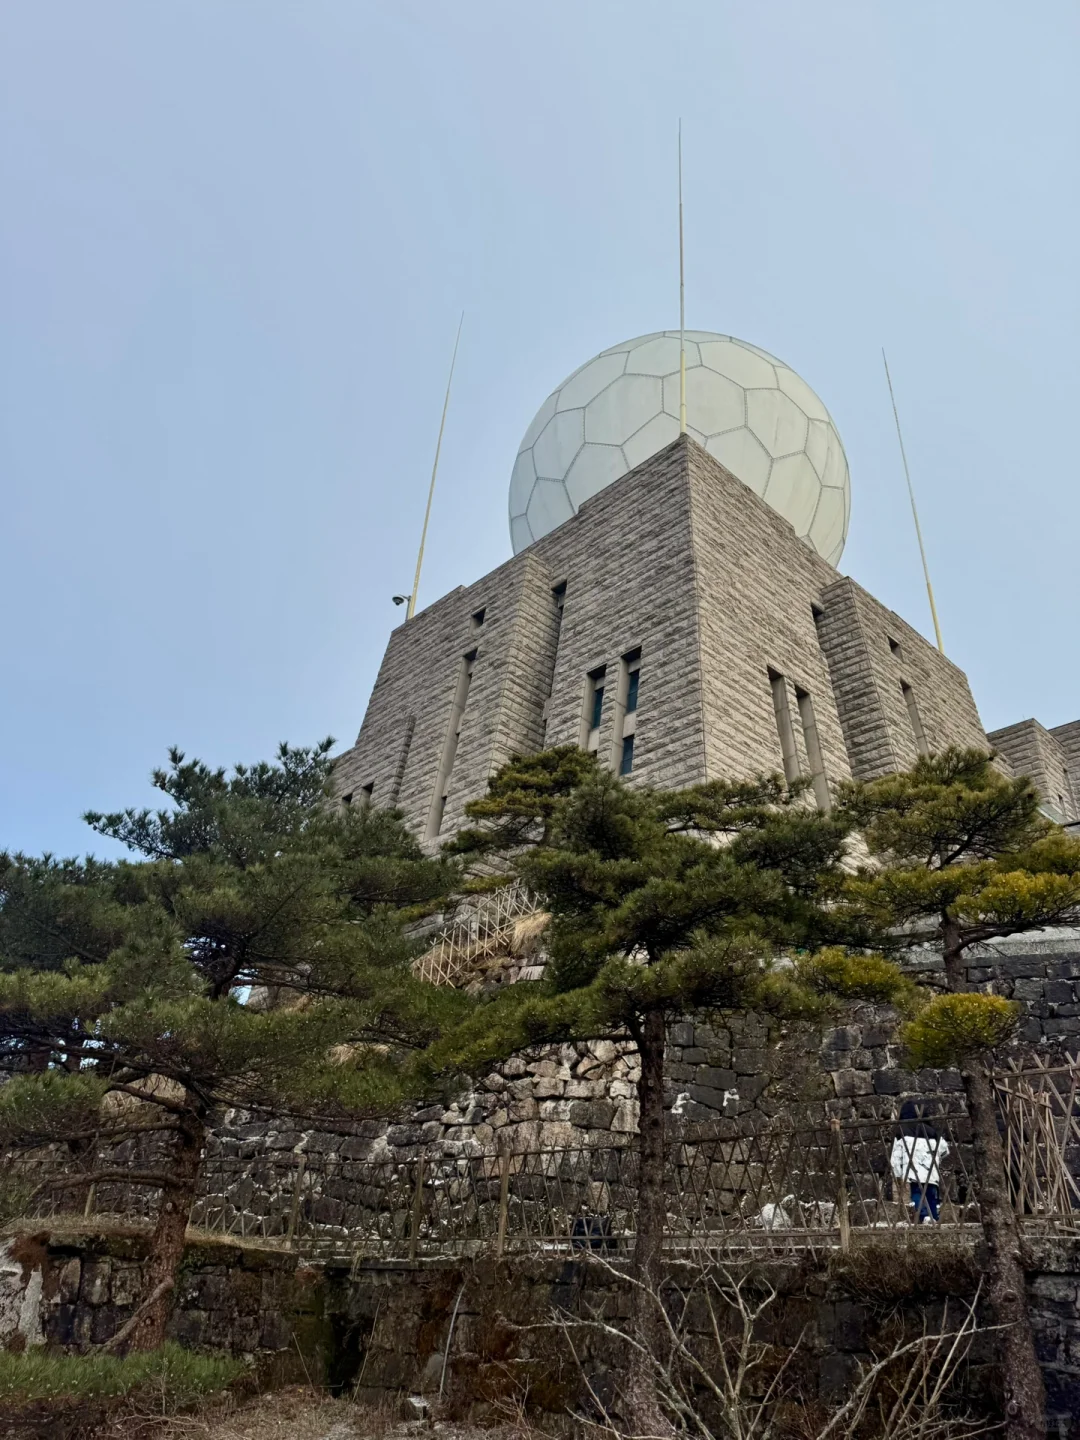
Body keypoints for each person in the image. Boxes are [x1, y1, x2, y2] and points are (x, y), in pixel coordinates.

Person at [890, 1100, 949, 1223]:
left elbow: (896, 1154)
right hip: (931, 1169)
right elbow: (944, 1149)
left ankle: (923, 1216)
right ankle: (933, 1216)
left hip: (913, 1169)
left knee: (917, 1192)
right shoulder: (931, 1131)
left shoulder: (901, 1130)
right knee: (932, 1193)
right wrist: (936, 1158)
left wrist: (897, 1173)